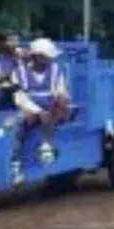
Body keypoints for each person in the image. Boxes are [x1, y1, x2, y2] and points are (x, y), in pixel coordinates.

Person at [13, 38, 71, 180]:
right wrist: (37, 111)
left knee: (60, 111)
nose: (50, 60)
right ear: (37, 56)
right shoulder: (19, 73)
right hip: (28, 107)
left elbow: (60, 90)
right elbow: (19, 98)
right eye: (47, 57)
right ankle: (16, 164)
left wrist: (62, 98)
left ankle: (47, 147)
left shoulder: (55, 70)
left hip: (49, 106)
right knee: (18, 125)